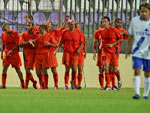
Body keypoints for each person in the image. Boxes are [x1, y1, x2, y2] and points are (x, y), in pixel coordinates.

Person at [126, 3, 150, 99]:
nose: (143, 13)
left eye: (146, 11)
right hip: (137, 51)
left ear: (149, 12)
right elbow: (131, 35)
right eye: (142, 11)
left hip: (148, 53)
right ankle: (137, 93)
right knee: (137, 70)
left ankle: (145, 94)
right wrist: (128, 48)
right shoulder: (134, 21)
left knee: (147, 73)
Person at [95, 16, 122, 90]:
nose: (103, 23)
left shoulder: (113, 30)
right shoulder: (100, 31)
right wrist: (100, 47)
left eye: (105, 21)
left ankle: (119, 79)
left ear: (109, 22)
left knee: (114, 69)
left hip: (113, 52)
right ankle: (108, 86)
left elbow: (120, 38)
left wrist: (112, 44)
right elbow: (100, 40)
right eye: (102, 21)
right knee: (106, 68)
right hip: (105, 52)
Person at [56, 20, 84, 89]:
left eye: (74, 24)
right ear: (68, 25)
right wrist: (57, 48)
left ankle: (73, 81)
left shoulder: (79, 33)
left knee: (74, 69)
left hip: (75, 53)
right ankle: (66, 84)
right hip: (67, 53)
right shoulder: (64, 32)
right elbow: (61, 42)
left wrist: (79, 49)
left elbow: (82, 43)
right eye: (71, 24)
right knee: (67, 69)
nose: (72, 26)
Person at [46, 14, 69, 90]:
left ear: (51, 26)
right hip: (44, 53)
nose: (48, 25)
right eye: (47, 23)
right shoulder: (43, 33)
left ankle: (56, 85)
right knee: (43, 70)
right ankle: (44, 85)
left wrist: (66, 20)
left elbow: (63, 28)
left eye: (49, 23)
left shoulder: (55, 32)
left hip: (52, 53)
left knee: (53, 70)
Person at [0, 24, 24, 89]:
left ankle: (22, 84)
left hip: (14, 53)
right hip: (7, 54)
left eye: (8, 27)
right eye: (7, 27)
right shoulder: (3, 35)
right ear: (4, 29)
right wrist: (2, 53)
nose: (8, 28)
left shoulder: (14, 33)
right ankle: (3, 85)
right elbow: (3, 45)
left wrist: (11, 51)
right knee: (4, 69)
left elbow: (17, 44)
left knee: (18, 69)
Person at [35, 23, 57, 89]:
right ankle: (42, 84)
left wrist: (49, 43)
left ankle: (47, 86)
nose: (38, 29)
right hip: (38, 55)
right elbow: (36, 44)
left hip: (45, 55)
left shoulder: (50, 36)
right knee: (37, 71)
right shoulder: (38, 36)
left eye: (40, 28)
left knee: (45, 70)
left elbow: (56, 45)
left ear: (44, 29)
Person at [109, 18, 129, 90]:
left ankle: (119, 79)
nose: (119, 24)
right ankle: (113, 85)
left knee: (114, 69)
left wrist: (124, 33)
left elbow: (130, 36)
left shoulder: (122, 31)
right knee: (110, 69)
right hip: (109, 51)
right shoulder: (111, 30)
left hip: (116, 52)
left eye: (120, 23)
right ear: (114, 23)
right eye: (117, 22)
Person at [20, 22, 39, 89]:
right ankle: (34, 82)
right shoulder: (23, 34)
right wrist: (29, 42)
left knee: (28, 69)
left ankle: (26, 85)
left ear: (32, 27)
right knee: (26, 70)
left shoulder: (36, 35)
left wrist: (33, 43)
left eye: (29, 26)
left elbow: (37, 45)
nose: (27, 27)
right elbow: (20, 44)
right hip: (25, 53)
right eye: (27, 25)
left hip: (32, 54)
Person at [75, 22, 87, 89]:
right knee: (74, 69)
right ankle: (73, 82)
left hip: (80, 55)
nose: (78, 28)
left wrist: (85, 51)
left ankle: (78, 84)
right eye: (77, 27)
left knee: (80, 69)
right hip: (74, 54)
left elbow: (83, 44)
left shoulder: (82, 35)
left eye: (79, 27)